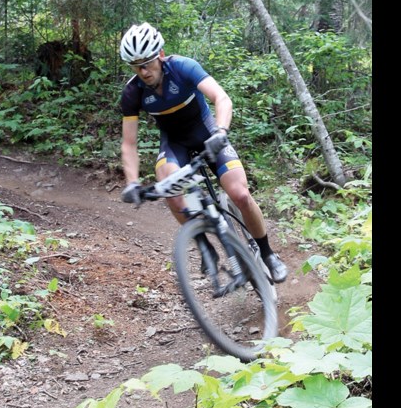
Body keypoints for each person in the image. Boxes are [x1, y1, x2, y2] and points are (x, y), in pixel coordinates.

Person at [117, 22, 288, 283]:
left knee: (240, 194)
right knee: (169, 188)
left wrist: (221, 131)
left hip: (208, 133)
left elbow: (222, 98)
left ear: (160, 55)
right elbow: (129, 143)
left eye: (147, 63)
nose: (143, 71)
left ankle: (267, 253)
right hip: (175, 144)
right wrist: (132, 183)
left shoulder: (183, 67)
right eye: (135, 66)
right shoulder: (133, 92)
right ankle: (203, 243)